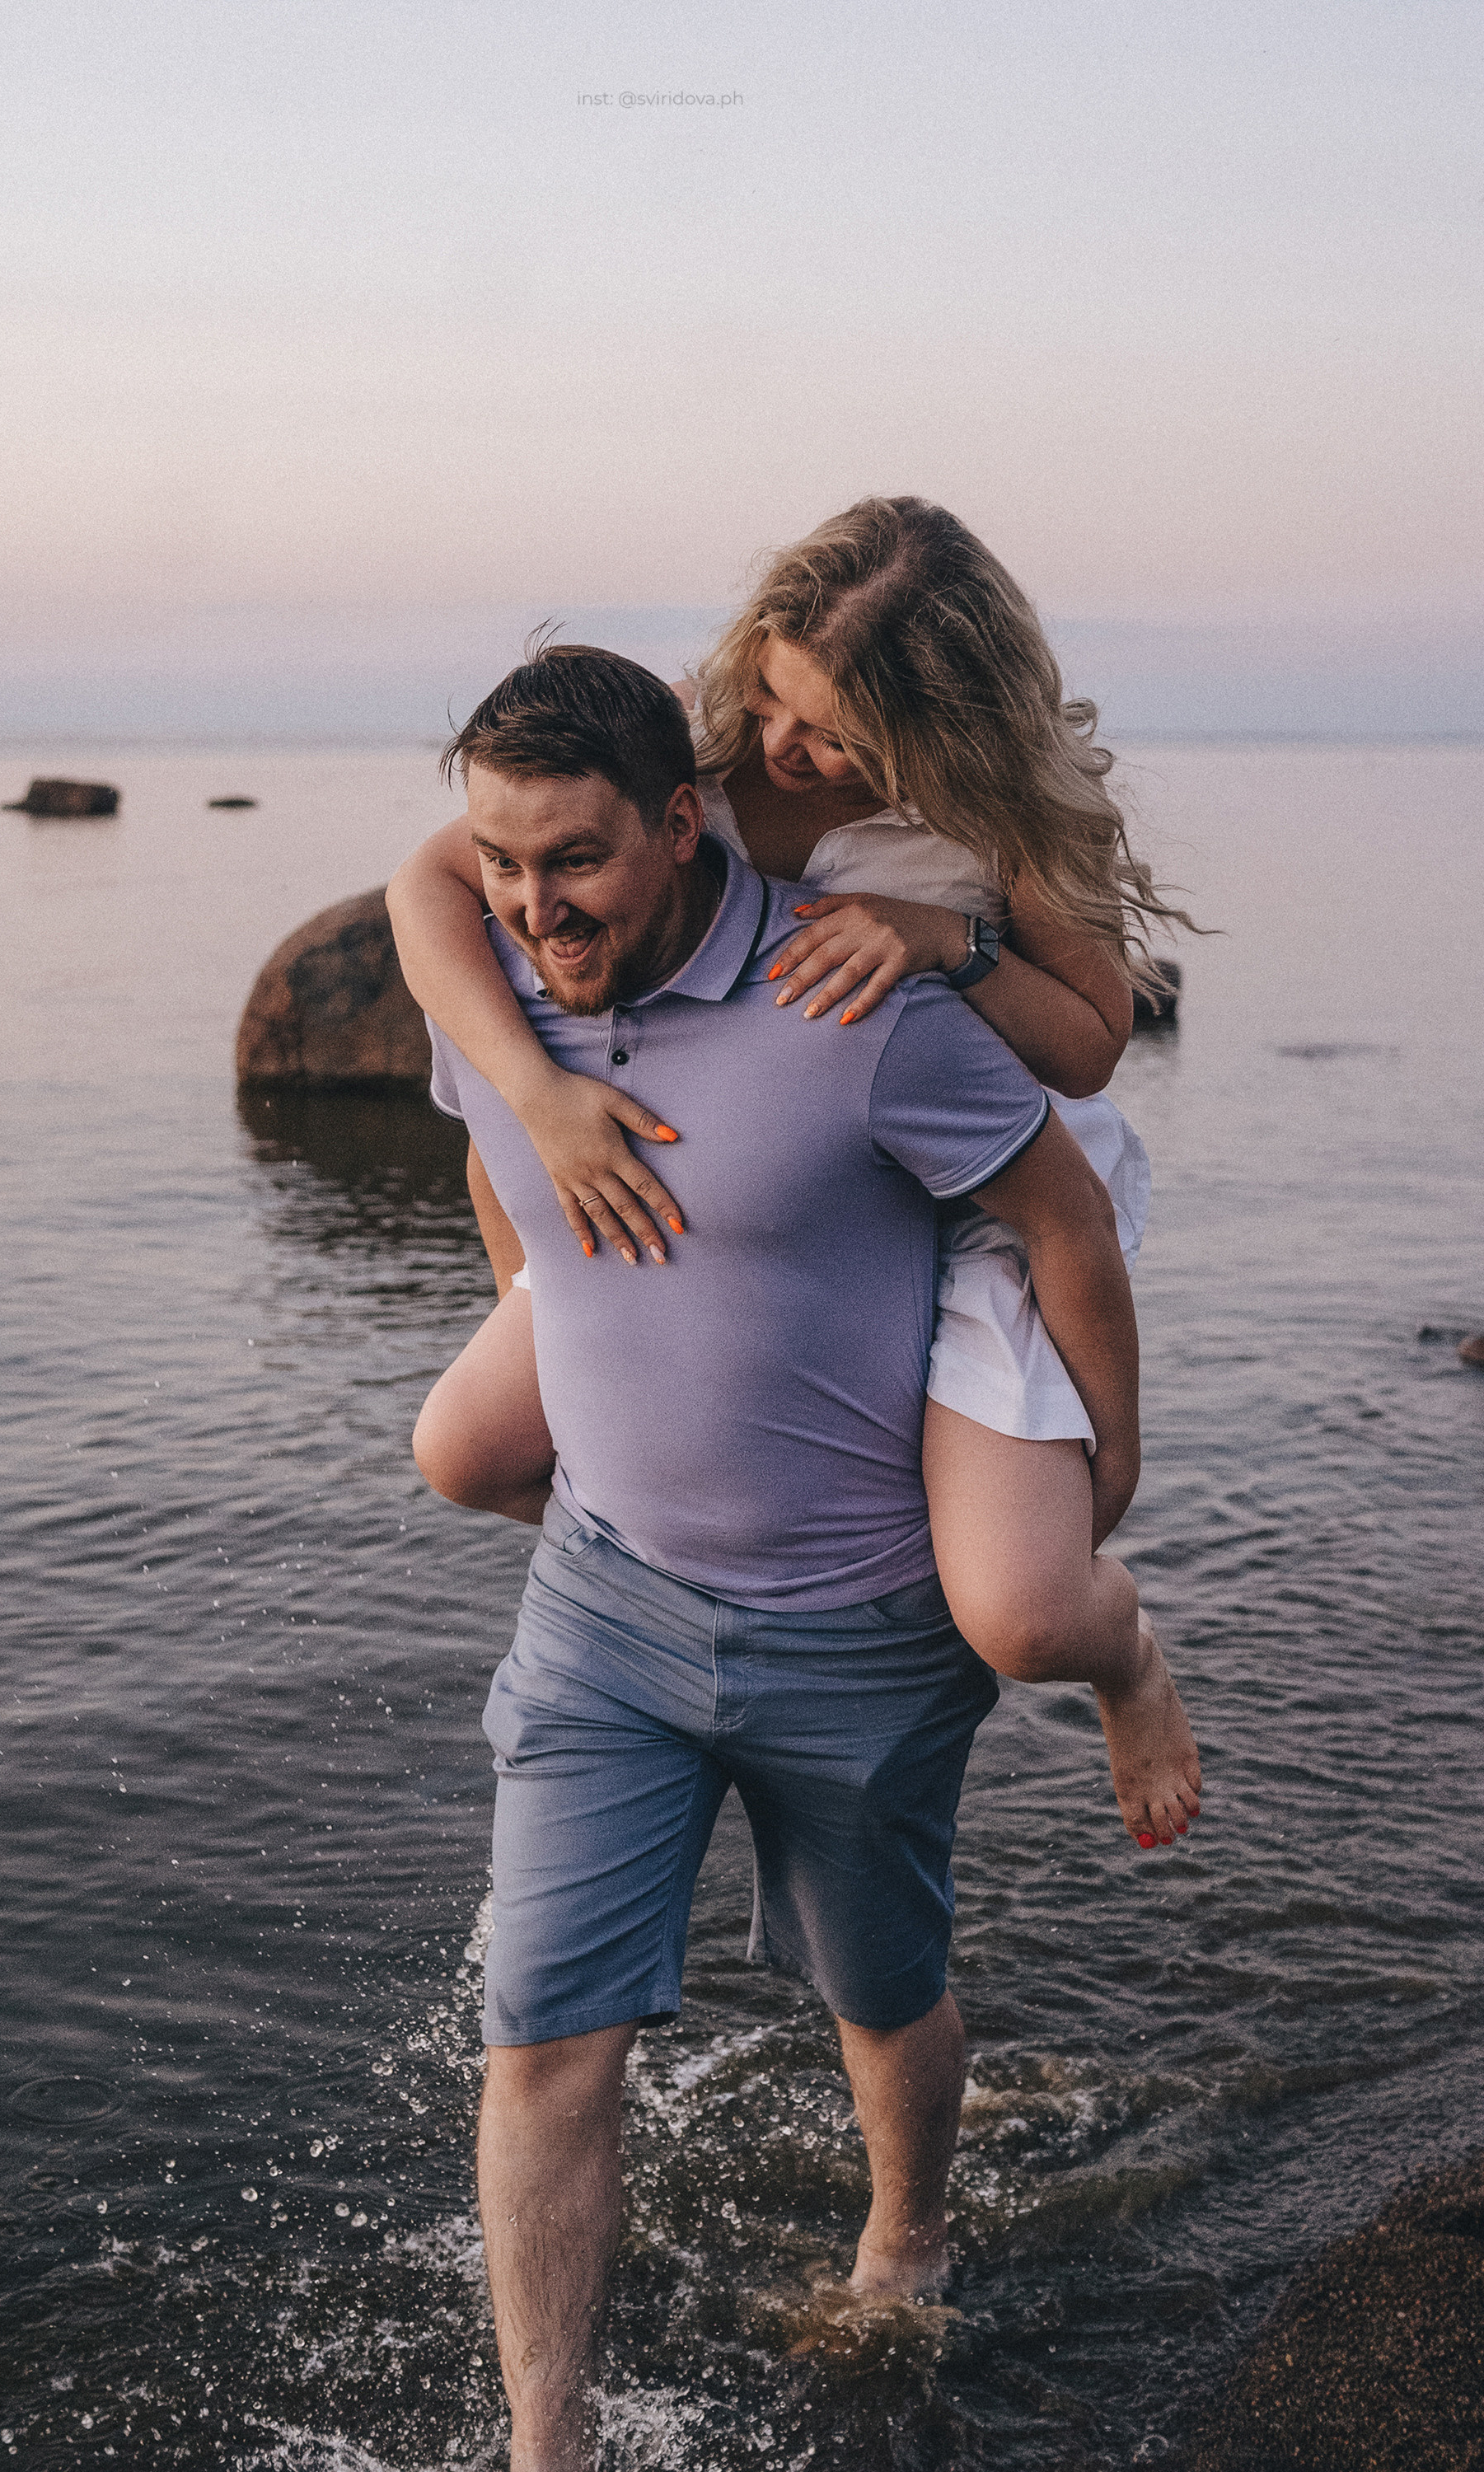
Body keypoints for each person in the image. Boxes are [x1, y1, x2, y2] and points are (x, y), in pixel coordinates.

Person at [415, 643, 1144, 2471]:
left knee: (878, 1992)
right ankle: (546, 2443)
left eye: (570, 860)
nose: (531, 902)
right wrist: (549, 1305)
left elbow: (1057, 1211)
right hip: (606, 1609)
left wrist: (1106, 1470)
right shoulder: (488, 993)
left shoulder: (855, 1002)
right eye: (501, 864)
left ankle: (903, 2226)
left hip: (864, 1633)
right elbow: (492, 1155)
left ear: (680, 824)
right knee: (544, 2040)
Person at [391, 497, 1201, 1851]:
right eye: (772, 693)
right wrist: (540, 1100)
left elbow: (1094, 1046)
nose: (781, 746)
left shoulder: (996, 813)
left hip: (970, 1193)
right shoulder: (689, 744)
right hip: (749, 1170)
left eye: (834, 732)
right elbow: (429, 893)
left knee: (1021, 1613)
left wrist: (943, 938)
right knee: (464, 1450)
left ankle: (1127, 1663)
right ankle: (707, 1607)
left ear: (942, 727)